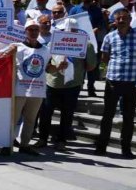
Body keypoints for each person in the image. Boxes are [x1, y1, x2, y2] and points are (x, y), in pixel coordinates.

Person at [36, 19, 97, 151]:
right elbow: (47, 67)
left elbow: (91, 66)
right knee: (46, 113)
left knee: (67, 114)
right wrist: (57, 67)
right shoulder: (52, 43)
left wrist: (81, 59)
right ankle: (42, 138)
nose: (68, 33)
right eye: (65, 31)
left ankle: (62, 140)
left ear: (77, 31)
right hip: (52, 83)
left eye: (72, 31)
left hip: (72, 85)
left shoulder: (87, 45)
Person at [95, 8, 136, 158]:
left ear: (130, 20)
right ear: (115, 21)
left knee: (128, 117)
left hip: (132, 82)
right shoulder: (110, 37)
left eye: (124, 18)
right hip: (113, 81)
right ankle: (102, 146)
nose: (121, 21)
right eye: (119, 18)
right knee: (107, 115)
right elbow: (105, 57)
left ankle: (126, 148)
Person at [13, 20, 62, 155]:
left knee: (30, 119)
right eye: (30, 29)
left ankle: (24, 144)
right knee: (14, 118)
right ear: (25, 31)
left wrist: (58, 68)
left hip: (37, 90)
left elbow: (48, 68)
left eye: (36, 29)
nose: (33, 32)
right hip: (20, 89)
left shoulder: (46, 50)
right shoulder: (17, 47)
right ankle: (8, 143)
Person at [69, 0, 106, 97]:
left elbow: (100, 24)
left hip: (92, 41)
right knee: (78, 64)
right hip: (77, 41)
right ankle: (78, 86)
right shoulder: (75, 9)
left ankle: (91, 87)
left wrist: (94, 30)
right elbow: (69, 22)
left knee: (91, 65)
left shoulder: (97, 10)